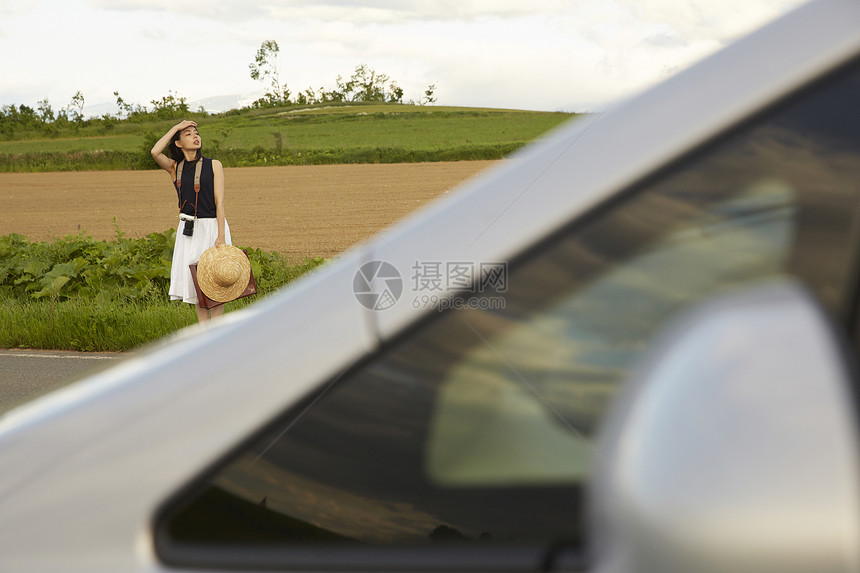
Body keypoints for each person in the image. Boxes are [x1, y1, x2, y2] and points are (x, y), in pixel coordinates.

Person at [151, 120, 231, 322]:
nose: (195, 136)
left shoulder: (214, 165)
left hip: (213, 226)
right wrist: (176, 127)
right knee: (198, 285)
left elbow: (219, 203)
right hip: (188, 229)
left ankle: (218, 333)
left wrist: (221, 236)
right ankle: (204, 334)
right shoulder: (174, 168)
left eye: (196, 133)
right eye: (188, 134)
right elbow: (155, 152)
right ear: (178, 143)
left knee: (217, 282)